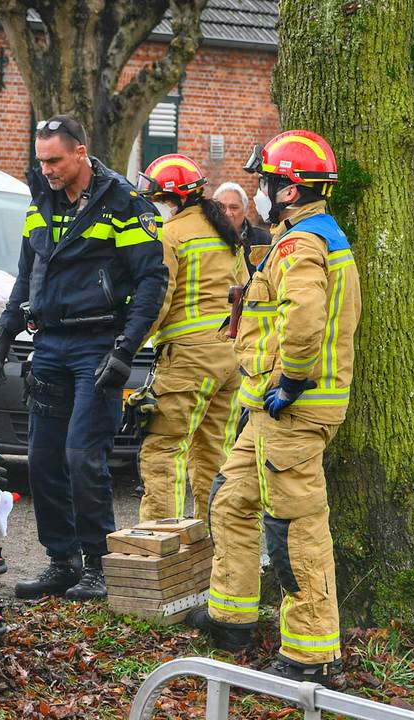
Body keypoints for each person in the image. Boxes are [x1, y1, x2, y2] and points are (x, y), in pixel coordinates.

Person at [187, 130, 360, 684]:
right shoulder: (302, 237)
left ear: (288, 191)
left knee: (295, 528)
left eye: (265, 181)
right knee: (231, 499)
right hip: (268, 409)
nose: (260, 190)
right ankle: (230, 617)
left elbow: (304, 319)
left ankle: (311, 653)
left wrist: (290, 381)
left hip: (293, 410)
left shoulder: (303, 245)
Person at [0, 115, 168, 601]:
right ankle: (60, 560)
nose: (45, 168)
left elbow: (152, 282)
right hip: (49, 344)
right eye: (40, 159)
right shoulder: (40, 199)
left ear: (81, 154)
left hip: (98, 343)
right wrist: (5, 328)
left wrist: (126, 349)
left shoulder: (124, 203)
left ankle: (97, 564)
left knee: (82, 456)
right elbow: (28, 271)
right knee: (43, 458)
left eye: (54, 160)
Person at [134, 155, 243, 524]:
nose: (152, 206)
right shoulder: (225, 232)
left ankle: (161, 545)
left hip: (187, 361)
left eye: (156, 199)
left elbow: (157, 302)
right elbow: (244, 293)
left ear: (174, 199)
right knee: (215, 454)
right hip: (229, 360)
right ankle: (215, 546)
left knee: (164, 451)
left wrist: (124, 346)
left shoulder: (170, 236)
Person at [213, 181, 271, 272]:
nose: (228, 213)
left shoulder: (263, 240)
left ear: (245, 210)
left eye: (234, 207)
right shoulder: (204, 239)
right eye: (221, 207)